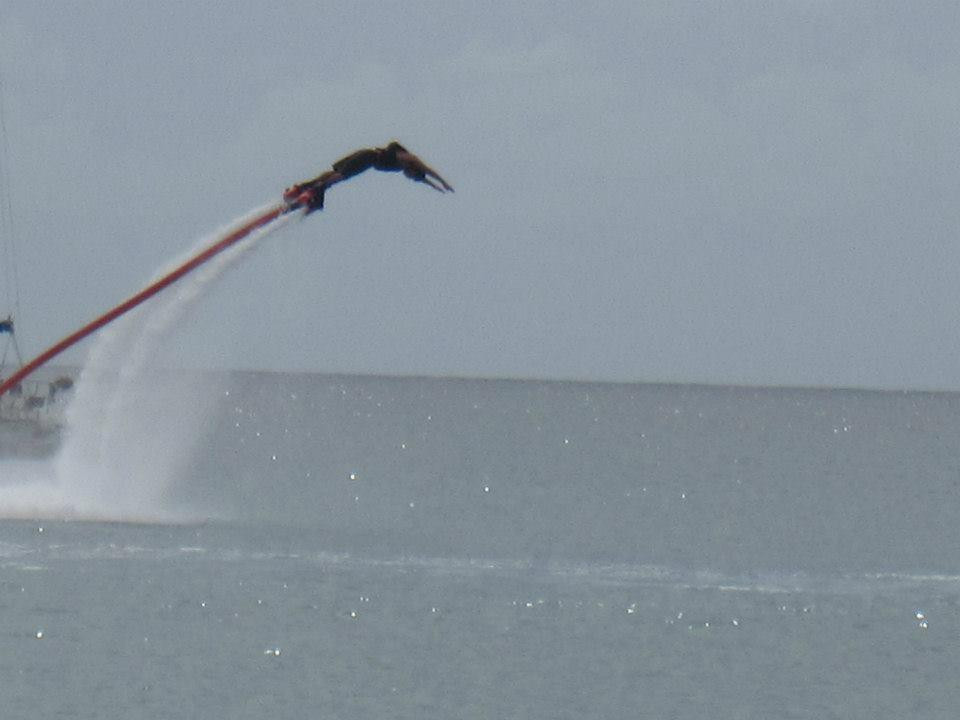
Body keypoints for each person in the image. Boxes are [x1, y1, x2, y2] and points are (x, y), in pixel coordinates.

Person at [284, 142, 453, 211]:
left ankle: (303, 187)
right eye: (411, 176)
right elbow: (427, 171)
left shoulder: (406, 168)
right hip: (366, 157)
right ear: (413, 170)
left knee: (334, 173)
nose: (408, 177)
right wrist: (443, 182)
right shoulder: (407, 159)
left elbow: (424, 179)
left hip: (364, 156)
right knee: (341, 175)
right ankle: (315, 190)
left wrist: (435, 187)